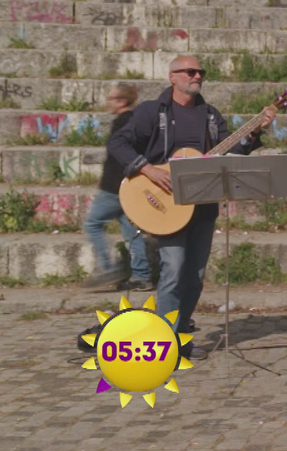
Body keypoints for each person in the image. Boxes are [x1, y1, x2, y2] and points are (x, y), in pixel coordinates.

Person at [108, 56, 276, 357]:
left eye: (201, 72)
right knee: (173, 270)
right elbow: (118, 144)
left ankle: (180, 335)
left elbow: (232, 150)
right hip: (165, 205)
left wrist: (253, 132)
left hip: (202, 207)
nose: (197, 75)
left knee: (195, 276)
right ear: (173, 77)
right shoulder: (152, 112)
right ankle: (163, 345)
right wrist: (149, 170)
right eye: (191, 71)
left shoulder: (210, 115)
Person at [81, 84, 153, 291]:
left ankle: (107, 267)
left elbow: (119, 155)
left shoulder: (122, 122)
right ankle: (142, 276)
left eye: (112, 98)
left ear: (122, 101)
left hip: (113, 186)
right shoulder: (138, 121)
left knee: (93, 224)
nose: (108, 102)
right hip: (131, 185)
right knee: (132, 231)